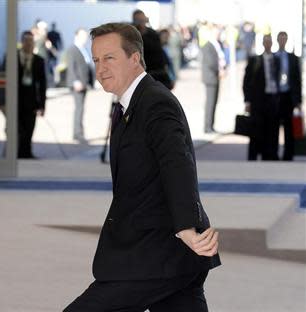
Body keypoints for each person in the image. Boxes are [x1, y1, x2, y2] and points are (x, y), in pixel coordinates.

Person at [64, 22, 220, 312]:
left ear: (134, 58)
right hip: (168, 258)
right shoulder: (129, 105)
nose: (100, 69)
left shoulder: (155, 103)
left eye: (109, 58)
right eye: (96, 60)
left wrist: (186, 226)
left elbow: (177, 163)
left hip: (157, 253)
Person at [243, 34, 280, 161]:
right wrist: (247, 101)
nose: (268, 44)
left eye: (270, 42)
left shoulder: (276, 59)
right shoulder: (255, 60)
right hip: (258, 100)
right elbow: (247, 81)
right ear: (263, 44)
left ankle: (270, 155)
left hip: (273, 98)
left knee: (272, 129)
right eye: (266, 42)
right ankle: (253, 155)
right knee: (256, 129)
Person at [17, 31, 46, 159]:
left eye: (31, 41)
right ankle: (17, 152)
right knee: (18, 129)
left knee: (29, 128)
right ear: (22, 42)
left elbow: (42, 85)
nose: (29, 44)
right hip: (16, 99)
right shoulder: (12, 58)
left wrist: (42, 105)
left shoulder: (39, 60)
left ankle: (26, 153)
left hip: (31, 101)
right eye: (26, 41)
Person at [275, 31, 302, 160]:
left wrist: (298, 101)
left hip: (288, 95)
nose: (282, 41)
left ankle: (288, 154)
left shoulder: (292, 57)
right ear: (277, 40)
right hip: (275, 96)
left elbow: (297, 79)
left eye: (284, 39)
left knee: (288, 126)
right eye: (280, 39)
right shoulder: (273, 56)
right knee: (274, 125)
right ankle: (272, 153)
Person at [132, 9, 172, 90]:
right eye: (138, 20)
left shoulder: (152, 33)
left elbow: (160, 53)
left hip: (157, 73)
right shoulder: (131, 35)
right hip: (141, 74)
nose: (141, 22)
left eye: (142, 19)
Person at [66, 28, 93, 143]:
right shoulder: (73, 49)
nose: (85, 38)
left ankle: (79, 132)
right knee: (79, 108)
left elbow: (87, 65)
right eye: (82, 36)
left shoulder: (83, 49)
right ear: (76, 36)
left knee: (81, 108)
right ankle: (77, 133)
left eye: (86, 36)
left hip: (84, 84)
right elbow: (71, 67)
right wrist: (75, 81)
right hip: (77, 84)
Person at [201, 24, 226, 133]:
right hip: (211, 77)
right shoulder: (208, 45)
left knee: (214, 102)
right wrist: (219, 69)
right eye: (216, 32)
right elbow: (211, 62)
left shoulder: (217, 44)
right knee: (210, 102)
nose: (218, 34)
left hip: (215, 77)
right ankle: (207, 126)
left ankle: (211, 125)